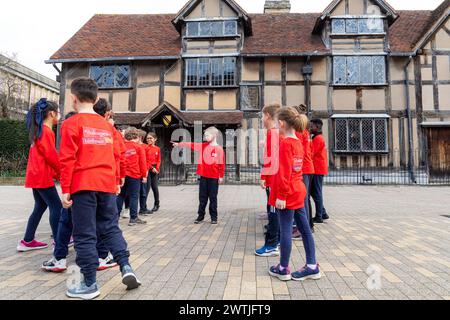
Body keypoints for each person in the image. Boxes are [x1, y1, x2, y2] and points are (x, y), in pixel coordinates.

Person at [59, 78, 140, 299]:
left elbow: (67, 159)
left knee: (85, 234)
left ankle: (89, 284)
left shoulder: (70, 124)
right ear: (96, 100)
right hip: (106, 185)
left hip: (83, 185)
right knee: (110, 228)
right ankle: (126, 266)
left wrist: (65, 188)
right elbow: (116, 156)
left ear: (73, 100)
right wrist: (116, 181)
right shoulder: (108, 127)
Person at [268, 107, 321, 282]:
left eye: (277, 122)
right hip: (298, 190)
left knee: (285, 231)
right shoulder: (298, 141)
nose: (276, 125)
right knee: (305, 229)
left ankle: (283, 268)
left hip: (288, 192)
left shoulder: (286, 144)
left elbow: (284, 173)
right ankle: (312, 265)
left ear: (282, 123)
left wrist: (281, 196)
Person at [18, 99, 62, 252]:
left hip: (35, 175)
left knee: (40, 206)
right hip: (42, 176)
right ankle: (59, 241)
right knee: (57, 207)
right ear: (51, 114)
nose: (60, 115)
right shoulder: (46, 131)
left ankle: (27, 240)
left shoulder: (38, 131)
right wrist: (61, 173)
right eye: (58, 112)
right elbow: (51, 156)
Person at [172, 127, 225, 225]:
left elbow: (221, 164)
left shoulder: (219, 149)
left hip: (214, 178)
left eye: (207, 135)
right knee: (202, 197)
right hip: (203, 177)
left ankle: (214, 217)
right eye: (205, 135)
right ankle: (200, 216)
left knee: (213, 197)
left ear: (215, 136)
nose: (205, 137)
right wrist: (179, 144)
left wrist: (221, 176)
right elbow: (192, 145)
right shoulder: (204, 146)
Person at [255, 103, 282, 257]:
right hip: (276, 175)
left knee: (273, 211)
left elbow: (270, 158)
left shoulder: (273, 132)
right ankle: (276, 241)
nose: (262, 119)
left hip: (273, 177)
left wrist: (264, 176)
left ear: (268, 116)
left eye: (262, 116)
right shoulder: (279, 132)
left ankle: (272, 244)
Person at [117, 128, 148, 226]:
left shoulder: (121, 146)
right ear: (136, 136)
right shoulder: (138, 147)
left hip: (122, 174)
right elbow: (142, 163)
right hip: (134, 175)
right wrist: (144, 175)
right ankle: (133, 218)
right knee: (134, 196)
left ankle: (115, 217)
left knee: (120, 196)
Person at [293, 105, 315, 240]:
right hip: (308, 167)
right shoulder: (305, 132)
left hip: (304, 169)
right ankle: (304, 226)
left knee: (303, 199)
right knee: (304, 199)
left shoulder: (299, 133)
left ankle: (303, 229)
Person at [310, 119, 330, 224]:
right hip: (318, 168)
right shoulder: (318, 138)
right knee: (315, 192)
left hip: (317, 169)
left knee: (316, 193)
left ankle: (319, 217)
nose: (310, 128)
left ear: (317, 127)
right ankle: (322, 213)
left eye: (312, 126)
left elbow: (311, 153)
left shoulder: (318, 139)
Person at [140, 132, 161, 215]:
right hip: (148, 168)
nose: (149, 139)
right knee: (147, 188)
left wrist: (157, 169)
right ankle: (143, 206)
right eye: (148, 138)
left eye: (151, 138)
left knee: (155, 187)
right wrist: (152, 168)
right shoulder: (145, 147)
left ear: (155, 139)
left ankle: (157, 204)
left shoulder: (157, 148)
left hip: (155, 169)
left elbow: (159, 160)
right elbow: (145, 160)